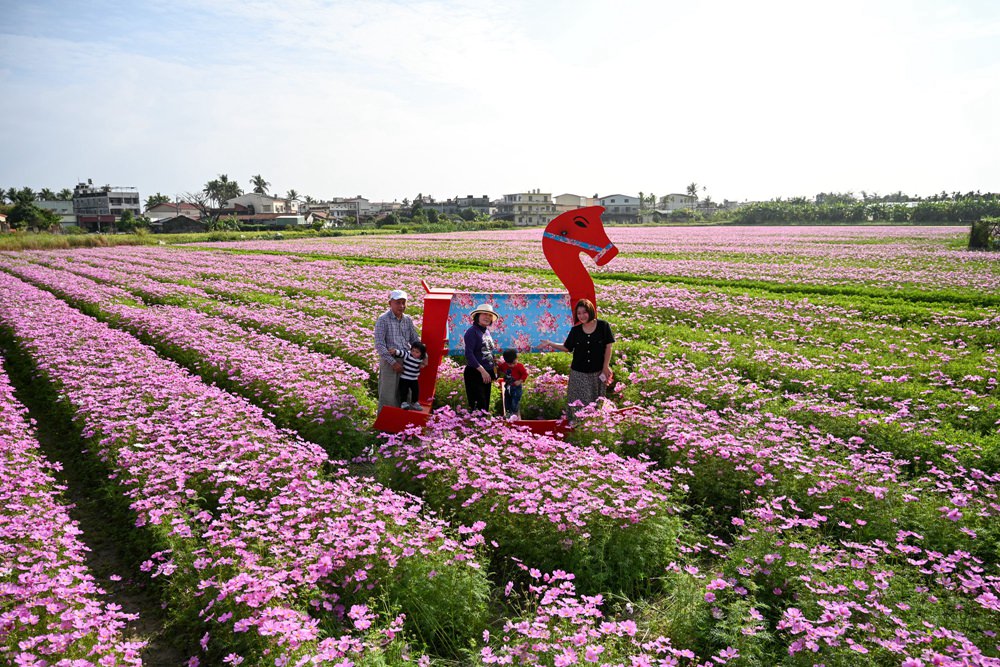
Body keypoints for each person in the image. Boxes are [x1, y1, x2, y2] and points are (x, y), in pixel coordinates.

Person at [541, 298, 615, 421]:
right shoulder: (576, 330)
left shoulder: (603, 326)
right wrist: (550, 343)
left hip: (597, 372)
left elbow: (608, 346)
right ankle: (577, 425)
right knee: (578, 402)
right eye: (579, 313)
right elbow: (567, 347)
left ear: (590, 311)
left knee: (595, 401)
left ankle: (593, 425)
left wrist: (605, 366)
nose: (581, 316)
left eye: (584, 312)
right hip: (579, 373)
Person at [373, 289, 420, 411]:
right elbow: (379, 344)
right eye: (398, 302)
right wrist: (393, 363)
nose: (402, 306)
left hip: (406, 360)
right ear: (390, 303)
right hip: (390, 362)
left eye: (404, 302)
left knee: (406, 393)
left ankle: (404, 426)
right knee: (388, 394)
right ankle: (386, 426)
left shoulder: (407, 319)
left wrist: (420, 355)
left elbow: (414, 339)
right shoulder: (383, 319)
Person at [463, 303, 500, 412]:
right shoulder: (472, 332)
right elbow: (469, 354)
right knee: (478, 406)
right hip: (475, 373)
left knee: (484, 407)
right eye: (484, 314)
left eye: (489, 315)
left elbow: (487, 350)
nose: (487, 317)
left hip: (486, 373)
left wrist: (494, 362)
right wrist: (483, 371)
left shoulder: (486, 331)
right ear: (477, 316)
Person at [391, 341, 427, 410]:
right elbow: (402, 353)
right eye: (413, 350)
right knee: (404, 391)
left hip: (414, 379)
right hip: (404, 378)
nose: (414, 353)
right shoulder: (408, 355)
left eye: (417, 352)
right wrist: (395, 351)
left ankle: (415, 402)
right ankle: (403, 403)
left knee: (415, 391)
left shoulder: (420, 359)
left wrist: (423, 365)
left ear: (421, 354)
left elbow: (424, 360)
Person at [497, 349, 528, 419]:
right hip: (508, 387)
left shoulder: (519, 366)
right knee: (507, 400)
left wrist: (520, 381)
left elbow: (525, 374)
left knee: (515, 401)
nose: (512, 365)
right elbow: (499, 368)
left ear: (517, 358)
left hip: (516, 388)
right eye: (509, 364)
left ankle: (515, 414)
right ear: (505, 361)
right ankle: (508, 413)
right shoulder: (504, 365)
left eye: (514, 363)